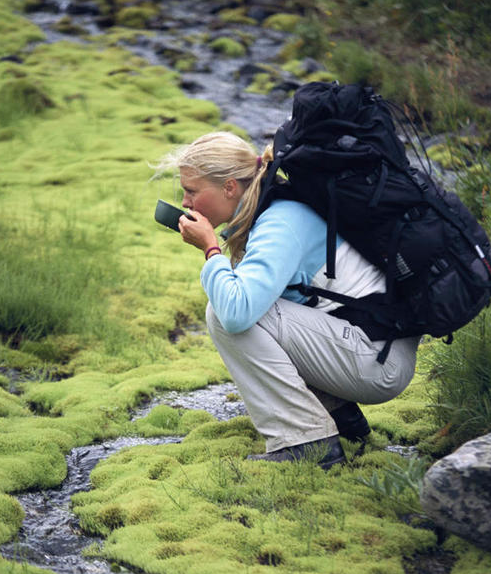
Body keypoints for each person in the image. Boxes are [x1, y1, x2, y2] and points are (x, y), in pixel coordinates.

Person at [156, 131, 420, 469]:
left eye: (191, 191)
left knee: (225, 312)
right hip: (371, 350)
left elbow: (237, 312)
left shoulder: (281, 222)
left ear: (229, 188)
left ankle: (307, 441)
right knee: (246, 303)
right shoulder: (273, 211)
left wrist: (211, 249)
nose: (185, 202)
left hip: (377, 362)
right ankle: (339, 416)